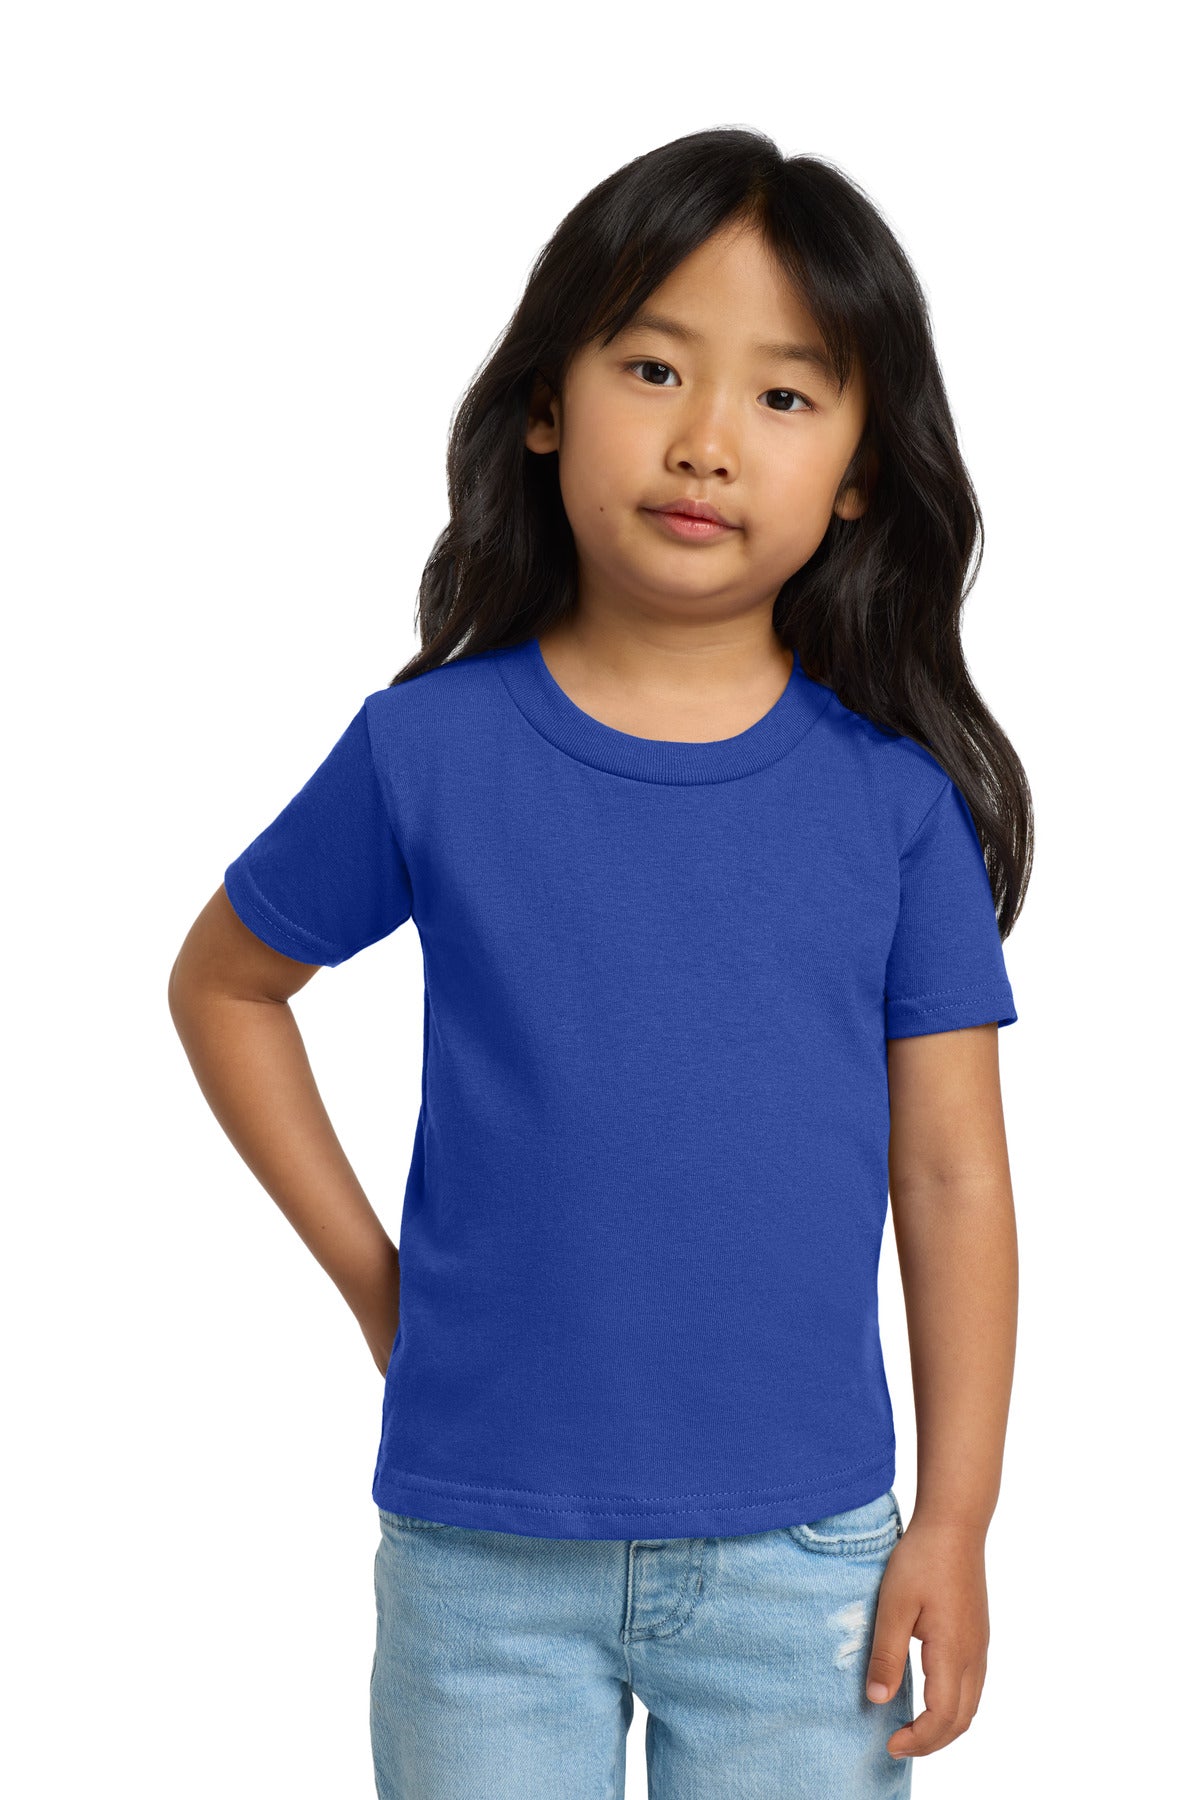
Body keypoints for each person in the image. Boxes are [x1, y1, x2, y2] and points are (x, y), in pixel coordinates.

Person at [168, 127, 1032, 1799]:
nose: (707, 439)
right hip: (481, 1559)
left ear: (861, 471)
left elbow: (953, 1176)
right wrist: (377, 1283)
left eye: (785, 394)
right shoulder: (429, 752)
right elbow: (225, 985)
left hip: (808, 1564)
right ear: (547, 403)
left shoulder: (893, 807)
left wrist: (957, 1518)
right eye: (652, 367)